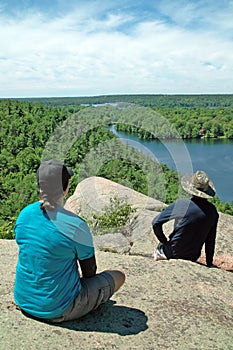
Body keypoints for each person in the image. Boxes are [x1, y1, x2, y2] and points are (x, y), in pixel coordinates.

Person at [14, 159, 125, 323]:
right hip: (58, 309)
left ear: (38, 187)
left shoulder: (24, 215)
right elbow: (90, 272)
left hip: (23, 299)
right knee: (118, 276)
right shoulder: (76, 225)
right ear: (66, 189)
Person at [152, 170, 219, 267]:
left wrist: (163, 240)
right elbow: (210, 240)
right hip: (193, 256)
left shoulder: (183, 204)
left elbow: (156, 222)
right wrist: (209, 263)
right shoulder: (213, 211)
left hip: (172, 252)